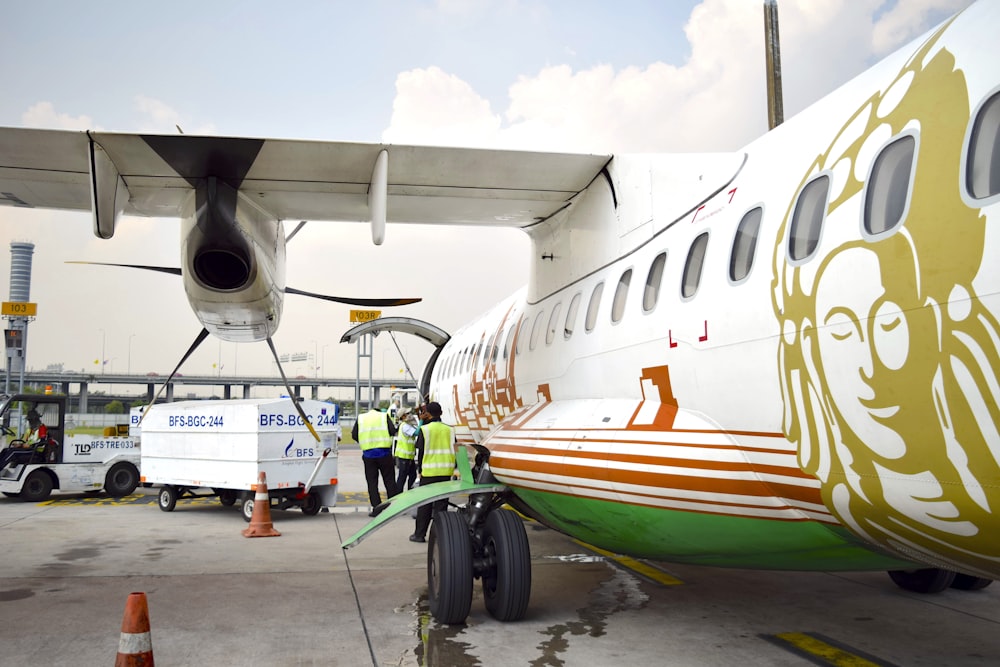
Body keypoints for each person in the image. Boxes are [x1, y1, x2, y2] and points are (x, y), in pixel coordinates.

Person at [410, 402, 457, 543]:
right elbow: (456, 449)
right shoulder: (450, 430)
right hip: (445, 471)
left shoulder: (425, 430)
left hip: (429, 472)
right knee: (441, 506)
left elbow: (421, 451)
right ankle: (441, 536)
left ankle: (419, 535)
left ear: (428, 414)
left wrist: (419, 471)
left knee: (425, 505)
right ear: (441, 413)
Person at [352, 406, 399, 516]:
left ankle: (376, 508)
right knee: (389, 481)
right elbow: (393, 431)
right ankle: (394, 507)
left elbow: (354, 435)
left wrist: (365, 441)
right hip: (384, 454)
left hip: (368, 455)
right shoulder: (383, 416)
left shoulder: (361, 418)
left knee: (372, 483)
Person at [393, 409, 419, 492]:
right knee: (402, 477)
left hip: (409, 456)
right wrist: (421, 420)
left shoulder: (408, 425)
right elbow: (417, 433)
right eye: (407, 413)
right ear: (403, 416)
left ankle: (410, 493)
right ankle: (398, 495)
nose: (410, 414)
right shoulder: (405, 426)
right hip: (404, 456)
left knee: (412, 476)